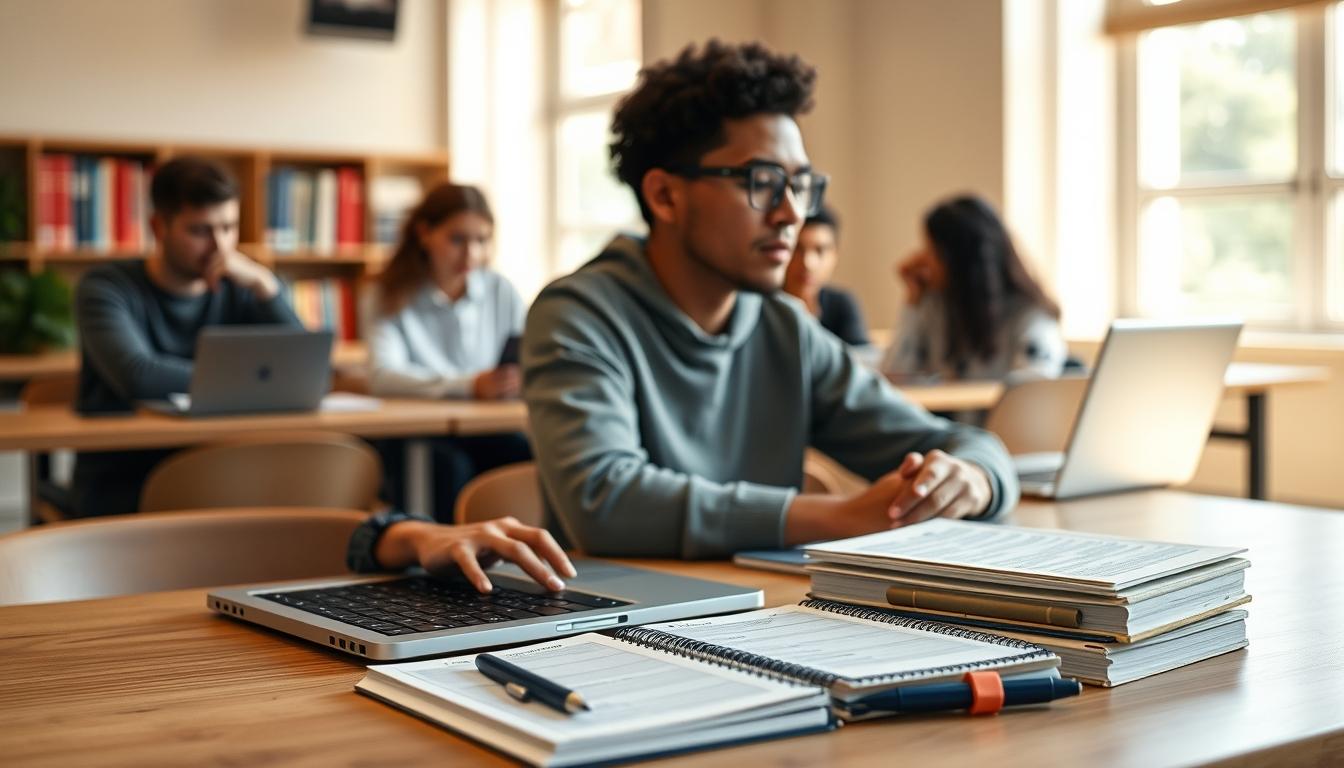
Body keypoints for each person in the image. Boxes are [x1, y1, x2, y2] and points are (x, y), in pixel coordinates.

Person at [346, 39, 1018, 584]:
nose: (791, 213)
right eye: (762, 182)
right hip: (620, 629)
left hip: (773, 615)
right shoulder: (579, 314)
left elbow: (963, 444)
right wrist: (836, 516)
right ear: (665, 197)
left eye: (801, 184)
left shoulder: (784, 326)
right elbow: (607, 500)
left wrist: (971, 480)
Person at [72, 156, 302, 517]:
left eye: (229, 227)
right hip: (126, 484)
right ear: (158, 227)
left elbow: (302, 368)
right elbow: (139, 375)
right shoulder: (106, 287)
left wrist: (266, 286)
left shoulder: (243, 287)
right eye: (200, 231)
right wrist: (255, 382)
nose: (220, 247)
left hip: (225, 476)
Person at [361, 182, 532, 522]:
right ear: (424, 233)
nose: (471, 255)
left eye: (482, 240)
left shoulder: (501, 290)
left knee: (525, 458)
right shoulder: (387, 293)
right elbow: (383, 376)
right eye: (457, 240)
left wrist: (517, 380)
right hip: (415, 433)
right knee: (448, 468)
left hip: (487, 427)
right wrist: (470, 385)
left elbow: (529, 356)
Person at [882, 194, 1067, 384]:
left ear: (959, 259)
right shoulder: (935, 305)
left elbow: (1032, 388)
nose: (923, 258)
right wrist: (912, 302)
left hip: (1000, 405)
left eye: (932, 250)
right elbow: (893, 380)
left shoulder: (1030, 316)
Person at [782, 206, 870, 349]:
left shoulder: (842, 304)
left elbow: (861, 357)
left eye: (820, 250)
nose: (808, 263)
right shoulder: (760, 305)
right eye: (797, 248)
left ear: (835, 256)